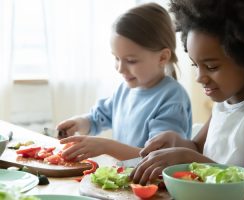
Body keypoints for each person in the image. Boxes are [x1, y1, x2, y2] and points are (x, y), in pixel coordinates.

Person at [131, 0, 244, 199]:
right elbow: (197, 149)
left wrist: (189, 159)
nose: (199, 77)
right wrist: (177, 142)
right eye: (196, 66)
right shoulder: (224, 104)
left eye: (211, 67)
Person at [56, 3, 192, 162]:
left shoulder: (172, 98)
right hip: (124, 181)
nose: (120, 69)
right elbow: (97, 118)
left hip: (155, 185)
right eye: (116, 58)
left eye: (131, 61)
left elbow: (158, 158)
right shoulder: (124, 90)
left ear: (162, 58)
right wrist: (78, 123)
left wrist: (106, 146)